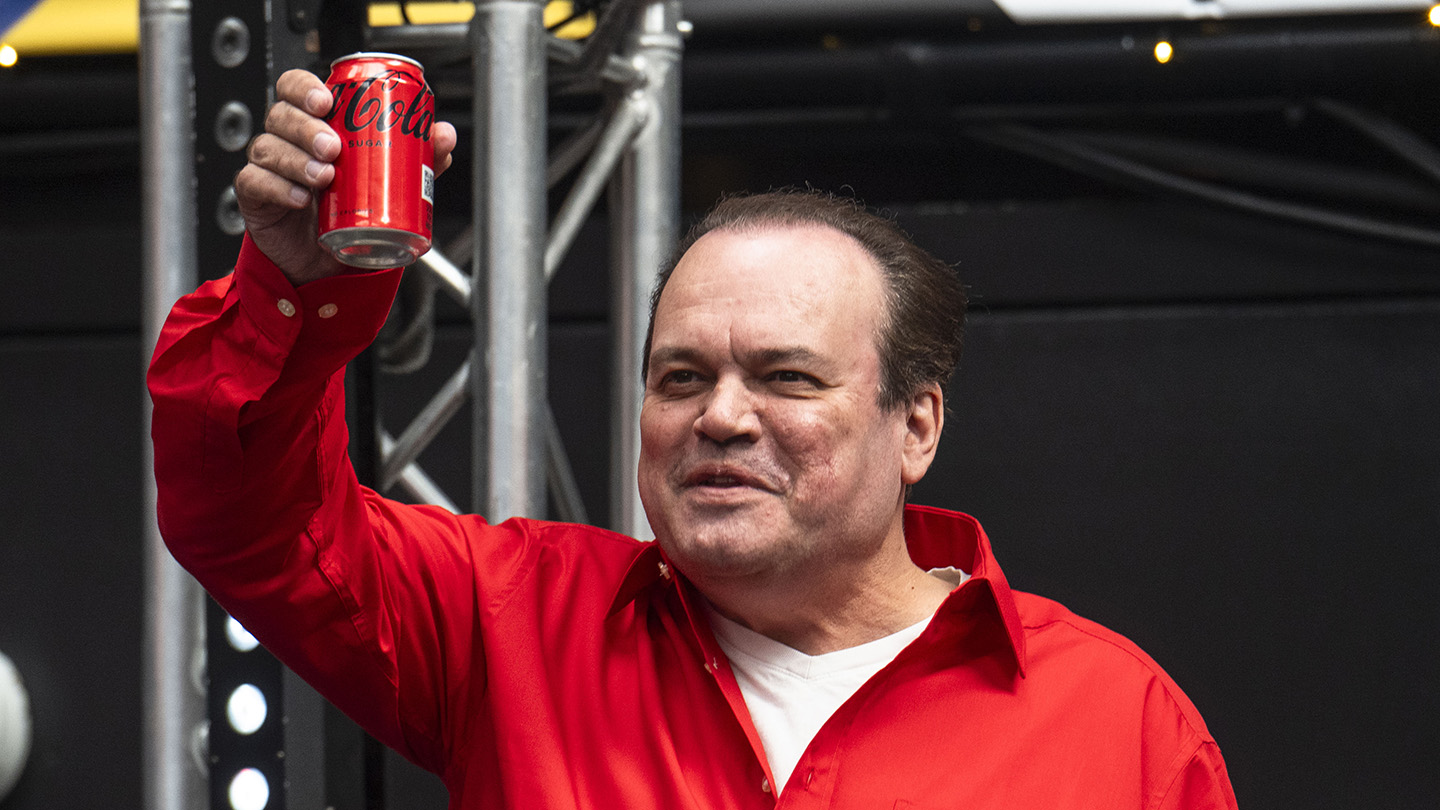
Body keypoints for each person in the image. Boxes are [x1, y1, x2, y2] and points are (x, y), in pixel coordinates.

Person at [148, 70, 1238, 809]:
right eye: (681, 377)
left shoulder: (1116, 722)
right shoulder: (511, 629)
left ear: (917, 424)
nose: (720, 416)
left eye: (786, 378)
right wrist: (292, 290)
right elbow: (249, 520)